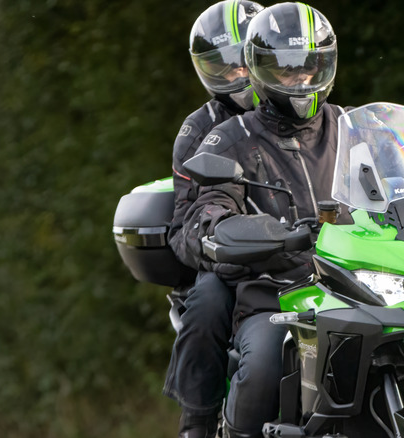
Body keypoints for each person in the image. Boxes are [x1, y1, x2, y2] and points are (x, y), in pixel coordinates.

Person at [180, 3, 352, 437]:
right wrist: (223, 230)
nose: (302, 81)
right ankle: (199, 421)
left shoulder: (350, 126)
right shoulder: (218, 135)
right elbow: (201, 209)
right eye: (288, 70)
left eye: (310, 68)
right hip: (268, 283)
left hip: (354, 280)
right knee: (230, 326)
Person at [164, 2, 264, 438]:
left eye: (243, 62)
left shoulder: (315, 115)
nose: (237, 76)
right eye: (221, 68)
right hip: (231, 261)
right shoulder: (198, 131)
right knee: (205, 303)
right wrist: (218, 246)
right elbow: (184, 223)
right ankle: (198, 421)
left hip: (319, 249)